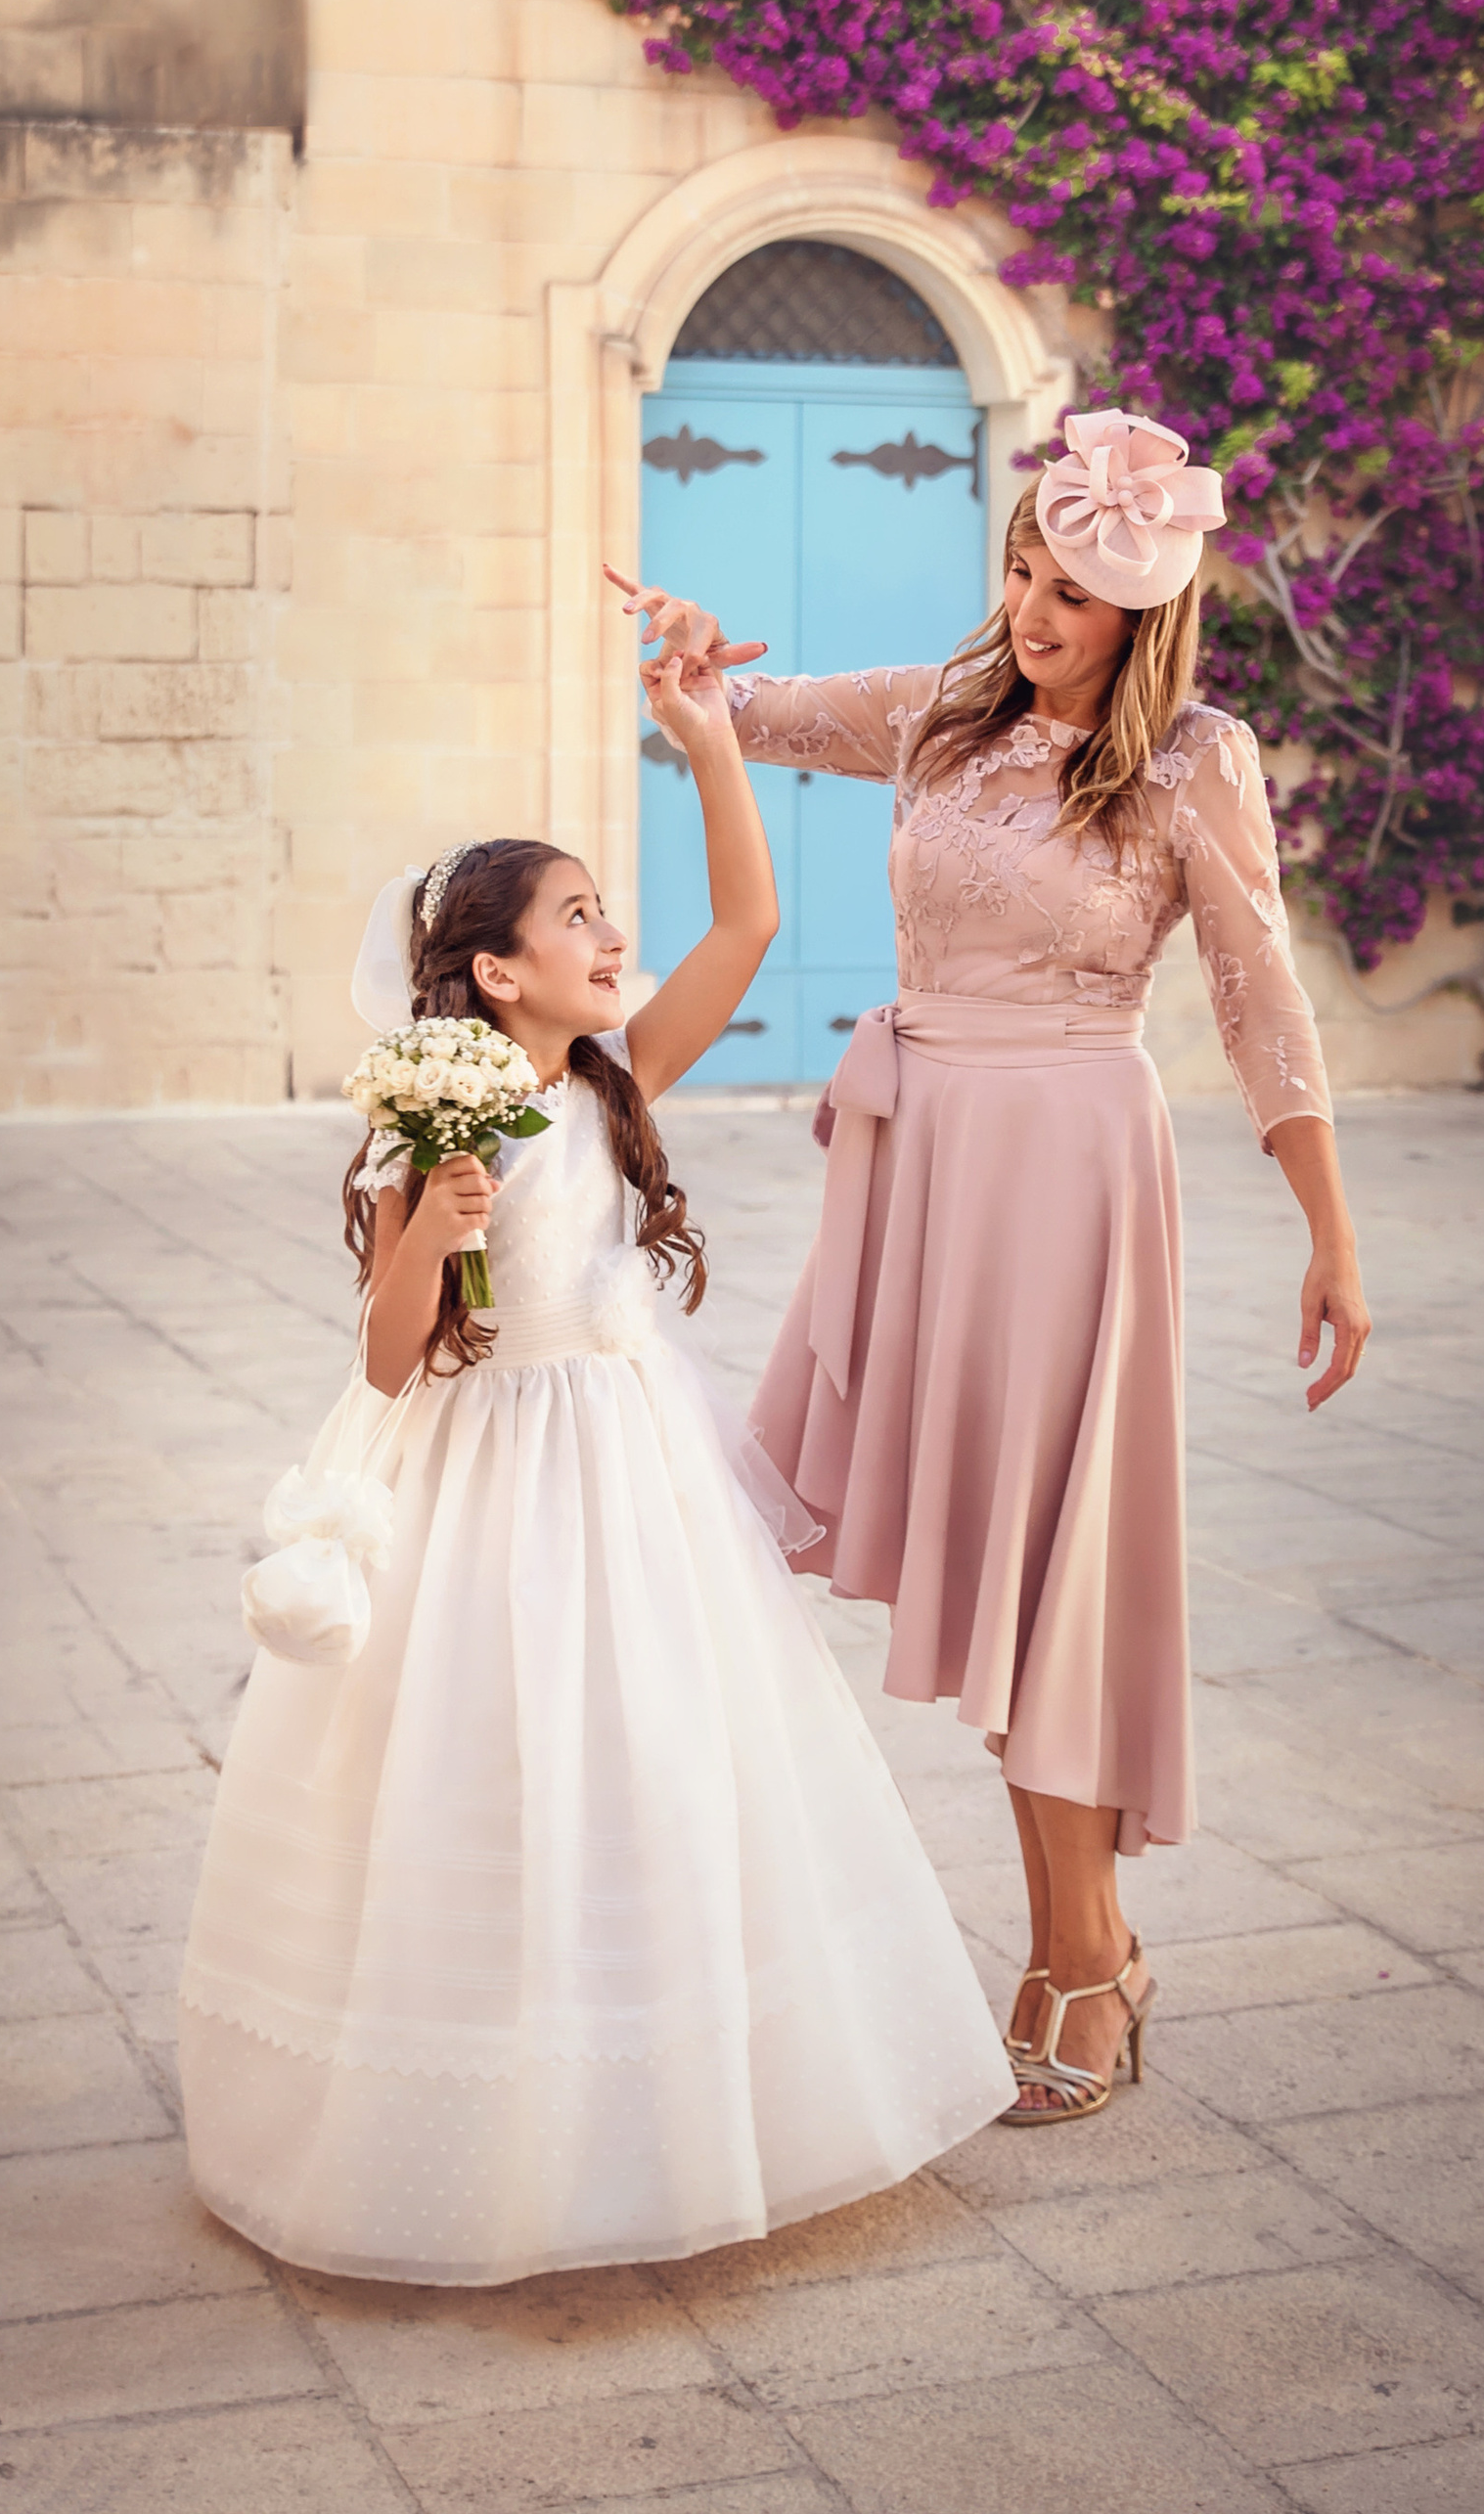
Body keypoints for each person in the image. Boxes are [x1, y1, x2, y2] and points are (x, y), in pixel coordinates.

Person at [178, 640, 1014, 2286]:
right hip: (490, 1476)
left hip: (633, 1472)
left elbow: (750, 928)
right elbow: (387, 1349)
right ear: (495, 977)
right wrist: (434, 1216)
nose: (605, 934)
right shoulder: (454, 1116)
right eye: (572, 918)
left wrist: (710, 743)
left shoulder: (623, 1081)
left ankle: (671, 2095)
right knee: (493, 1760)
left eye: (597, 912)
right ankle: (492, 2112)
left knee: (663, 1752)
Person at [613, 407, 1372, 2126]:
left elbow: (1261, 995)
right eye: (1025, 564)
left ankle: (1086, 1952)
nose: (1033, 607)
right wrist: (686, 659)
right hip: (922, 1161)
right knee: (988, 1568)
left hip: (1071, 1172)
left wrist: (1330, 1229)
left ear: (1147, 609)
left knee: (1049, 1577)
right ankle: (1075, 1947)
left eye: (1076, 588)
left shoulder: (1195, 759)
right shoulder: (943, 714)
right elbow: (746, 710)